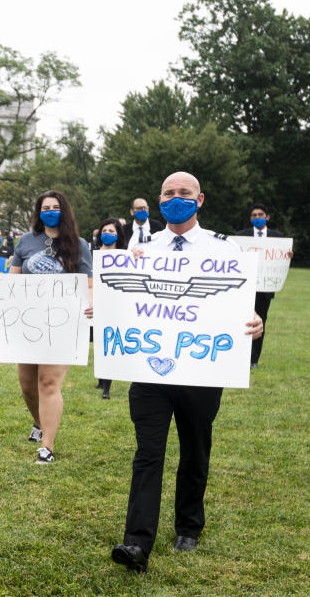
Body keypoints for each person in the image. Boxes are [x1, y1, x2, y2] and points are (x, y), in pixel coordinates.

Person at [111, 171, 264, 573]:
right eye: (168, 193)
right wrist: (104, 307)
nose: (175, 198)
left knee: (195, 448)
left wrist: (254, 320)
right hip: (149, 371)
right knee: (148, 453)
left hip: (201, 369)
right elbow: (122, 295)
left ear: (199, 200)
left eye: (184, 193)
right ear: (158, 200)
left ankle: (188, 527)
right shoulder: (141, 246)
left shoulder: (223, 248)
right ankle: (136, 543)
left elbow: (237, 298)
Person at [0, 190, 93, 464]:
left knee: (48, 382)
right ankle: (39, 423)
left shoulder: (79, 244)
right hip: (27, 326)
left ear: (64, 211)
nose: (50, 211)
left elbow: (88, 283)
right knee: (27, 387)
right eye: (45, 207)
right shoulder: (26, 242)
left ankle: (47, 447)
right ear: (38, 212)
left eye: (55, 207)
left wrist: (91, 304)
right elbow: (10, 283)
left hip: (63, 325)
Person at [235, 203, 291, 369]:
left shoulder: (278, 237)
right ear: (250, 218)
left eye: (260, 215)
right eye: (254, 215)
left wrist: (288, 256)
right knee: (243, 322)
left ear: (267, 217)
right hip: (246, 287)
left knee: (260, 323)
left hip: (265, 289)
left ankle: (254, 360)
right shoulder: (241, 237)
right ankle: (240, 357)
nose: (257, 218)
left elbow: (282, 258)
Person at [94, 218, 125, 399]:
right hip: (96, 303)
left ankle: (107, 388)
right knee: (99, 343)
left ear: (118, 235)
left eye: (112, 231)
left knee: (109, 343)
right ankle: (100, 379)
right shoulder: (94, 254)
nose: (108, 234)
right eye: (105, 230)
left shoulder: (124, 256)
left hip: (114, 305)